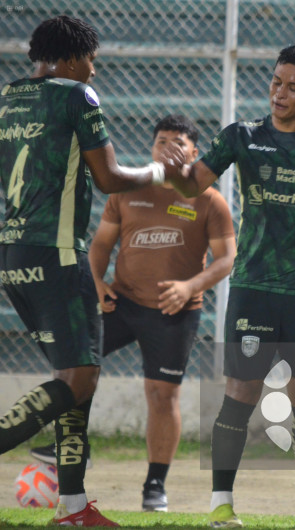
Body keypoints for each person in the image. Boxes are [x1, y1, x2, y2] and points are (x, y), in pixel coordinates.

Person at [167, 45, 295, 529]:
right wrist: (175, 171)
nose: (280, 93)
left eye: (293, 87)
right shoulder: (242, 136)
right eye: (276, 82)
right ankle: (221, 505)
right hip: (253, 288)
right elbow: (193, 185)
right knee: (240, 393)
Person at [0, 15, 184, 527]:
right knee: (79, 376)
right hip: (58, 252)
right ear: (70, 58)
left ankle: (74, 508)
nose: (94, 71)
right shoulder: (76, 95)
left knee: (76, 375)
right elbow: (108, 178)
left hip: (14, 253)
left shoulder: (8, 97)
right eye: (91, 60)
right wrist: (160, 171)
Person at [28, 114, 236, 513]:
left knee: (162, 395)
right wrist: (97, 282)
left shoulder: (209, 200)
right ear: (151, 148)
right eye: (161, 141)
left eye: (178, 143)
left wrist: (190, 287)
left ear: (195, 152)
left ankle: (155, 485)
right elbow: (101, 245)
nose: (168, 148)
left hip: (175, 310)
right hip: (120, 303)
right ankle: (72, 447)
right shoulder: (127, 190)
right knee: (73, 367)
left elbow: (226, 259)